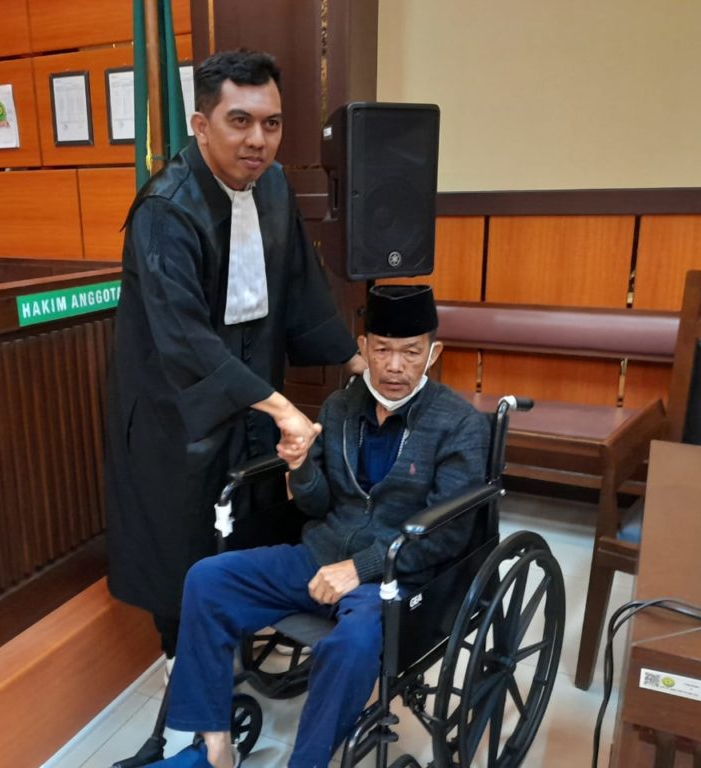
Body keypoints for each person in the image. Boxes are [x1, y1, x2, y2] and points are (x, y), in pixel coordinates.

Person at [151, 285, 492, 768]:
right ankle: (215, 745)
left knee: (351, 644)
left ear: (433, 354)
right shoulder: (340, 407)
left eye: (411, 352)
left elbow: (448, 534)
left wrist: (360, 568)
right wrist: (300, 467)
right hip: (320, 554)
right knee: (207, 578)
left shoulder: (460, 425)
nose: (395, 366)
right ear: (363, 348)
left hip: (393, 577)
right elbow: (317, 506)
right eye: (383, 350)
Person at [104, 49, 364, 668]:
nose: (258, 140)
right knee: (185, 535)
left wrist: (356, 361)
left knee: (254, 514)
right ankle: (182, 660)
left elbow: (302, 288)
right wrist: (280, 406)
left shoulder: (271, 186)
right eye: (239, 121)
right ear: (201, 125)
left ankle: (242, 631)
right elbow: (184, 338)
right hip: (179, 411)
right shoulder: (165, 209)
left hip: (252, 396)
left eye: (271, 123)